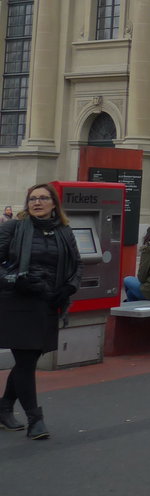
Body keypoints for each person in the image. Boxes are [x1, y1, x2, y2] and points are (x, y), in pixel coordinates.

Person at [0, 183, 82, 440]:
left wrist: (69, 287)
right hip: (18, 301)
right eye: (32, 199)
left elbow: (76, 265)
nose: (37, 202)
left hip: (47, 300)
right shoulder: (13, 228)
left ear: (54, 203)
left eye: (43, 198)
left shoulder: (64, 232)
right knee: (26, 360)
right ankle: (35, 419)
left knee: (29, 359)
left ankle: (4, 408)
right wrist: (16, 280)